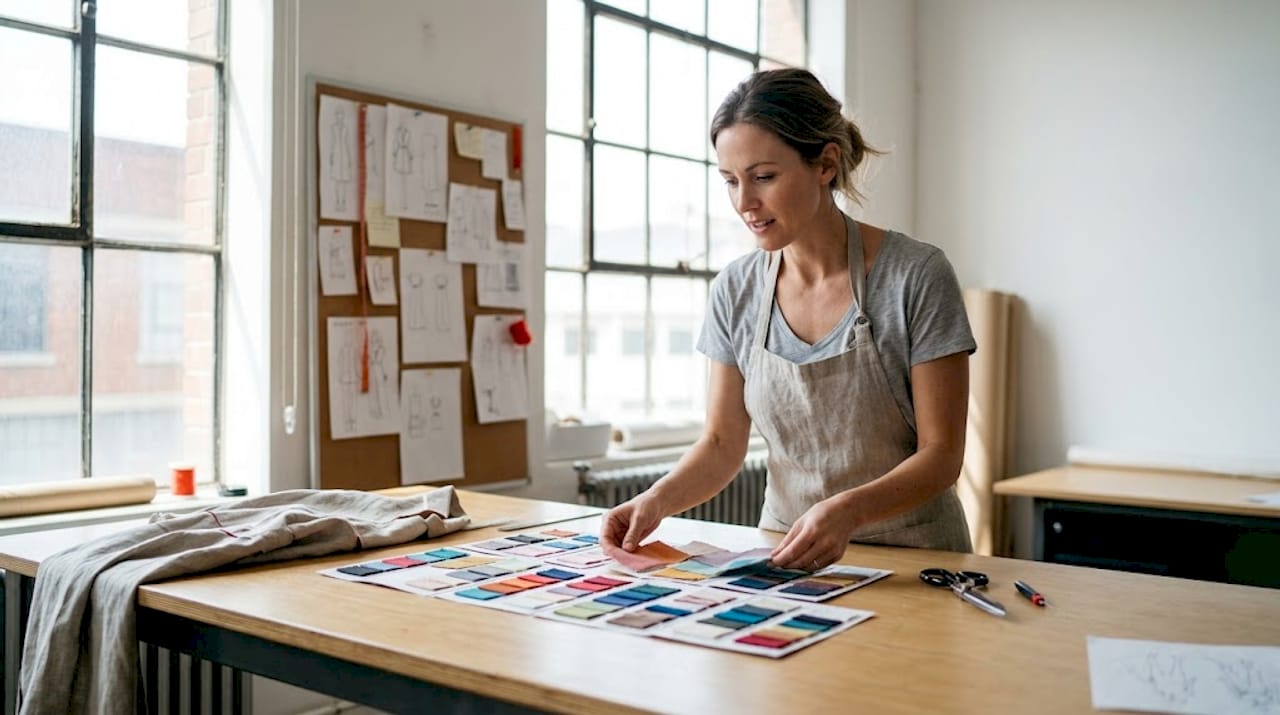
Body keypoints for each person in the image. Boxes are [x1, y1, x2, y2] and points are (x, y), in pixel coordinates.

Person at [601, 68, 977, 570]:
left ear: (826, 163)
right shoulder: (735, 290)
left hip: (915, 562)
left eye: (763, 177)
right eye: (730, 181)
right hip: (785, 559)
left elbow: (942, 455)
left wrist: (848, 511)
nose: (744, 203)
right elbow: (721, 444)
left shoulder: (916, 275)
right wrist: (655, 501)